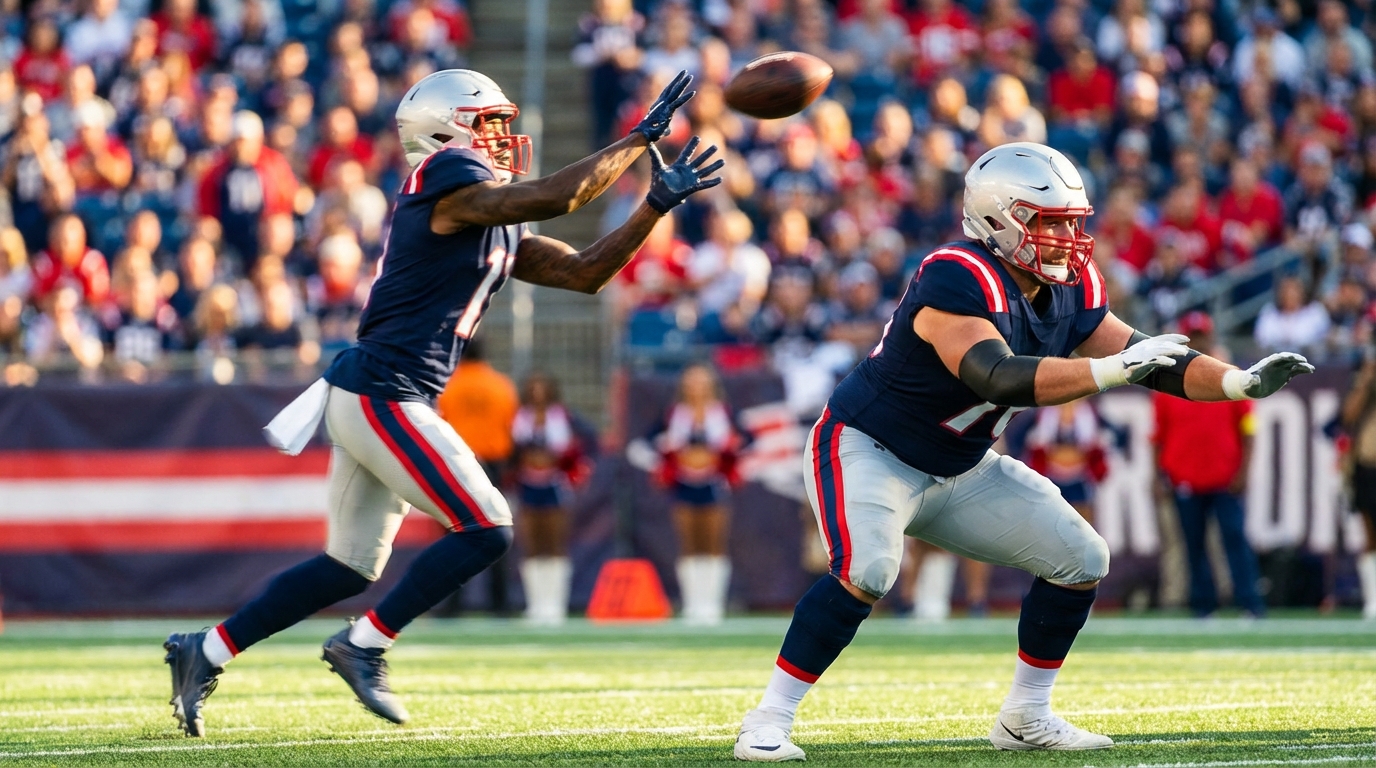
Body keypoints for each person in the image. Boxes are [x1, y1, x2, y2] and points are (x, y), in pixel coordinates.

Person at [162, 68, 719, 737]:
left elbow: (584, 273)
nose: (505, 136)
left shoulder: (488, 212)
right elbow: (559, 196)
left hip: (374, 393)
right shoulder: (444, 178)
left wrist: (653, 205)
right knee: (488, 527)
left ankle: (206, 650)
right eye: (489, 122)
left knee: (348, 565)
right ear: (444, 127)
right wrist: (637, 139)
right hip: (385, 393)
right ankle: (363, 645)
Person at [733, 142, 1314, 761]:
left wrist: (1237, 383)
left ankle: (1026, 716)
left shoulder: (1070, 284)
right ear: (998, 218)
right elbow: (997, 376)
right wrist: (1110, 371)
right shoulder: (956, 273)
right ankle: (767, 720)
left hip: (958, 465)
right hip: (869, 449)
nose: (1068, 237)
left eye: (1073, 222)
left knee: (1082, 557)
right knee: (868, 571)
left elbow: (1151, 357)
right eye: (1050, 222)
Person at [1153, 311, 1265, 618]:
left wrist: (1244, 471)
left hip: (1225, 476)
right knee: (1194, 546)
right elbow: (1158, 438)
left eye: (1202, 336)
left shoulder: (1229, 376)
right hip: (1184, 476)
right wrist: (1157, 476)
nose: (1199, 342)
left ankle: (1250, 604)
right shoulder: (1168, 380)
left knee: (1235, 540)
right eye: (1193, 337)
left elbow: (1249, 431)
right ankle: (1203, 606)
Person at [650, 363, 746, 625]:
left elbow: (746, 439)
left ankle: (712, 604)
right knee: (689, 543)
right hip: (683, 483)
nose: (697, 388)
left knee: (714, 542)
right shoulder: (674, 414)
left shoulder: (723, 412)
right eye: (692, 383)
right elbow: (649, 442)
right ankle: (693, 603)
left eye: (702, 382)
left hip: (714, 483)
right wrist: (670, 456)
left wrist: (726, 455)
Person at [434, 337, 520, 615]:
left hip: (457, 462)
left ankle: (452, 604)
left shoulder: (449, 385)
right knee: (495, 530)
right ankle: (500, 603)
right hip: (493, 463)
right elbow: (511, 425)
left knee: (455, 533)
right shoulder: (501, 384)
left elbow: (438, 423)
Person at [511, 373, 593, 625]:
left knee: (555, 542)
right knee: (532, 544)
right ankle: (536, 603)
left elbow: (588, 441)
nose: (537, 393)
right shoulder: (519, 417)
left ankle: (555, 604)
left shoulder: (564, 416)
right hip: (527, 484)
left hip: (556, 484)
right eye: (532, 388)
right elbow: (511, 449)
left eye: (542, 388)